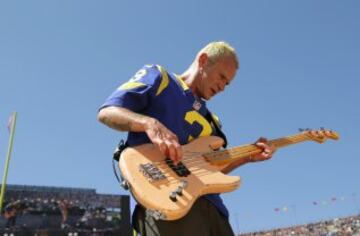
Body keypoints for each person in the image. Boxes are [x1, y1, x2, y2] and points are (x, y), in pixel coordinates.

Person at [98, 41, 276, 236]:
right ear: (203, 61)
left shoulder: (213, 121)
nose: (223, 87)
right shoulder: (160, 78)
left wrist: (248, 156)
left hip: (214, 210)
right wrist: (150, 124)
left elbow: (212, 169)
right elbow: (108, 112)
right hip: (167, 199)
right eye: (221, 77)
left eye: (227, 83)